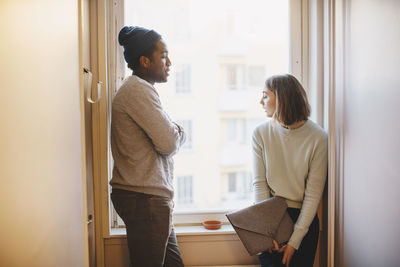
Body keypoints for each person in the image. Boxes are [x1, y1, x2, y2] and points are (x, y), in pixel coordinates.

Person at [110, 26, 186, 267]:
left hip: (149, 199)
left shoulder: (141, 90)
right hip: (145, 200)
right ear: (144, 61)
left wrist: (172, 130)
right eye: (163, 56)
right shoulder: (138, 90)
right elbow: (169, 142)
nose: (169, 62)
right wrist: (180, 131)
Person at [252, 74, 328, 267]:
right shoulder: (260, 133)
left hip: (302, 220)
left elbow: (312, 196)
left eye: (265, 96)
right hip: (269, 216)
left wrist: (294, 242)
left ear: (282, 98)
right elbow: (260, 184)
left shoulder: (318, 138)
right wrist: (268, 231)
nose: (261, 101)